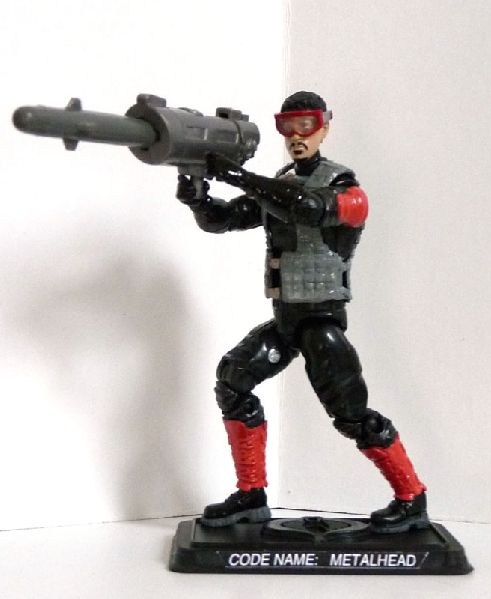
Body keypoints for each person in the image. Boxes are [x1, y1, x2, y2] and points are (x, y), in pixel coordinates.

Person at [176, 91, 428, 534]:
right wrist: (197, 196)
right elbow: (224, 219)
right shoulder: (280, 184)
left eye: (306, 125)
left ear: (324, 127)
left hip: (321, 322)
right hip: (286, 319)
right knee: (233, 382)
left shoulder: (345, 188)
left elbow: (307, 209)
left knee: (352, 416)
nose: (296, 135)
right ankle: (251, 495)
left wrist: (239, 175)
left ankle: (411, 498)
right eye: (286, 126)